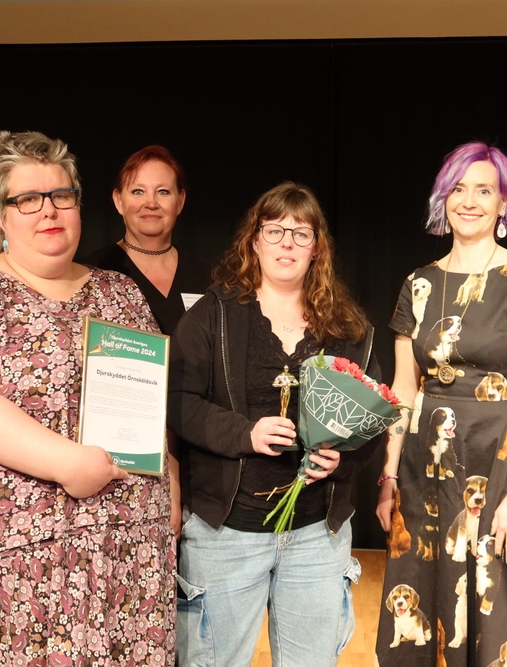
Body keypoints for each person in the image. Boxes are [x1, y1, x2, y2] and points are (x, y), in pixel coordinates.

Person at [0, 131, 176, 665]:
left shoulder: (119, 293)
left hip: (125, 560)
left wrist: (169, 499)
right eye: (27, 199)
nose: (48, 210)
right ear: (0, 215)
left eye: (61, 195)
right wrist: (70, 463)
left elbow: (149, 410)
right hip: (11, 574)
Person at [374, 142, 507, 665]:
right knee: (434, 613)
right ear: (442, 199)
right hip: (428, 474)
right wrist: (387, 476)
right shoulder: (418, 284)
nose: (468, 201)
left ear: (504, 206)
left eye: (484, 190)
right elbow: (404, 392)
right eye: (457, 189)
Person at [167, 182, 383, 666]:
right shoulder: (213, 316)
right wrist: (245, 434)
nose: (287, 243)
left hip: (315, 536)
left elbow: (374, 421)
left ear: (317, 248)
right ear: (254, 240)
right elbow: (178, 402)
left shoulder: (350, 329)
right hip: (229, 533)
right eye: (275, 230)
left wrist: (342, 459)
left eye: (300, 233)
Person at [79, 145, 209, 335]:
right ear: (118, 201)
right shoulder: (89, 273)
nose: (151, 203)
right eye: (138, 191)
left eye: (163, 191)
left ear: (180, 202)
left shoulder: (209, 278)